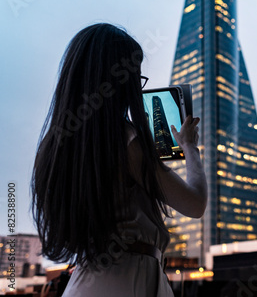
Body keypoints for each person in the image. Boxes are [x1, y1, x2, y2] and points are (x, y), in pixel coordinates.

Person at [31, 23, 207, 296]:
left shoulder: (52, 147)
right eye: (136, 78)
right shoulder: (126, 140)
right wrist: (189, 147)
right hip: (130, 280)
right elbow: (195, 203)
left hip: (83, 282)